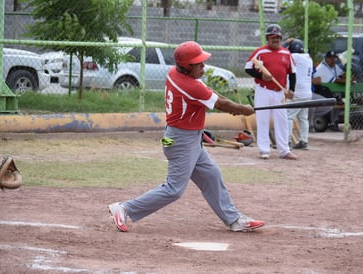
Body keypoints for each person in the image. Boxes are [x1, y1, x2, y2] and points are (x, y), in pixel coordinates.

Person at [108, 41, 265, 233]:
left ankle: (233, 219)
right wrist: (243, 109)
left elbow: (212, 94)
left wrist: (237, 108)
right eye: (199, 64)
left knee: (211, 175)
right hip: (181, 141)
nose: (203, 67)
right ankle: (124, 208)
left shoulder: (176, 73)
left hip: (184, 138)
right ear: (187, 66)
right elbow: (220, 104)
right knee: (174, 189)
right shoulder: (189, 86)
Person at [245, 24, 298, 160]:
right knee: (262, 119)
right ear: (268, 38)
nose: (276, 40)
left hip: (279, 91)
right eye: (273, 37)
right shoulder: (260, 52)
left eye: (278, 37)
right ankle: (264, 149)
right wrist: (261, 76)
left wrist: (291, 90)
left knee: (282, 120)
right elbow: (248, 68)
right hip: (263, 90)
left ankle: (284, 150)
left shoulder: (286, 53)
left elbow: (292, 73)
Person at [284, 38, 312, 150]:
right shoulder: (308, 58)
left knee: (289, 116)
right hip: (307, 93)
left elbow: (280, 50)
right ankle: (304, 141)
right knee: (303, 118)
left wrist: (286, 42)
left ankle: (287, 142)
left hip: (296, 92)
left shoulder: (293, 56)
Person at [313, 50, 346, 132]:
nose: (333, 60)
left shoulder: (335, 66)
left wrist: (347, 76)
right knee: (335, 101)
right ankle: (332, 123)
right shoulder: (322, 67)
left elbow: (342, 74)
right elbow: (336, 81)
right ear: (326, 59)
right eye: (330, 58)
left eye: (334, 58)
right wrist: (348, 80)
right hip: (321, 93)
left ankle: (334, 123)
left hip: (331, 93)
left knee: (338, 100)